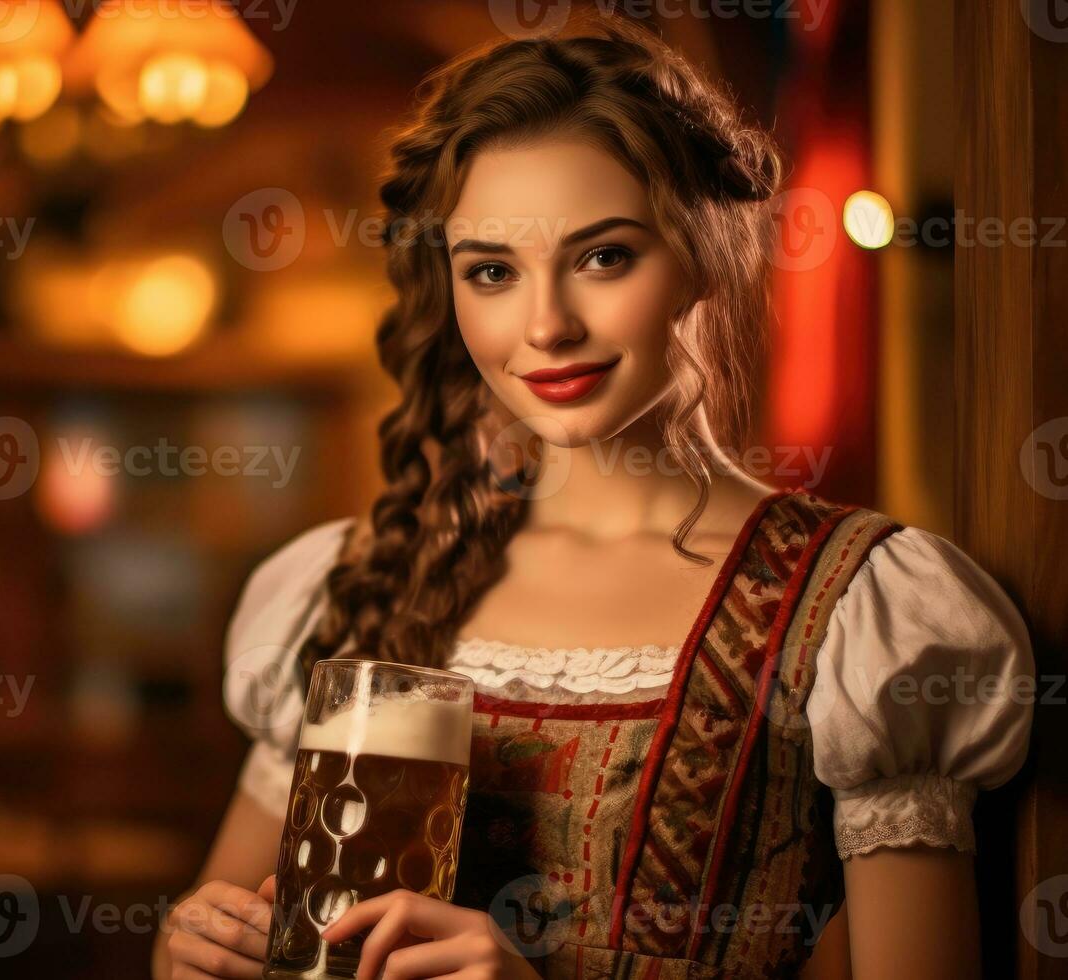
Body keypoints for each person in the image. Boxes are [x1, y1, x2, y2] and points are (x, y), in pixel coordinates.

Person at [154, 13, 1033, 980]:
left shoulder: (862, 612)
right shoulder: (355, 576)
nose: (546, 325)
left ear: (704, 252)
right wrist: (190, 949)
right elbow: (246, 934)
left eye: (603, 256)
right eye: (492, 272)